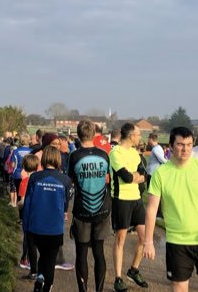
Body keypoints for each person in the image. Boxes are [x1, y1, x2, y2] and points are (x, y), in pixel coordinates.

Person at [143, 127, 198, 292]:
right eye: (181, 144)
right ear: (171, 146)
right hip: (178, 243)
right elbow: (151, 209)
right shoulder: (161, 174)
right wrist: (148, 242)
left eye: (189, 144)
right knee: (180, 289)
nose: (185, 149)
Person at [68, 121, 111, 292]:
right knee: (99, 253)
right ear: (95, 134)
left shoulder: (74, 156)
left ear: (78, 135)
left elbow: (71, 180)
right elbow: (108, 179)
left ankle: (83, 289)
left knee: (82, 253)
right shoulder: (104, 155)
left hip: (82, 210)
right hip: (102, 208)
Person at [23, 146, 72, 292]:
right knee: (49, 259)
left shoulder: (34, 177)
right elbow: (65, 205)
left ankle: (40, 278)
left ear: (43, 160)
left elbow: (28, 204)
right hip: (54, 229)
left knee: (43, 256)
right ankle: (46, 285)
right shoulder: (65, 180)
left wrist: (26, 227)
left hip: (35, 227)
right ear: (58, 160)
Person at [110, 123, 151, 291]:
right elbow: (126, 177)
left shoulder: (136, 153)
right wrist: (136, 176)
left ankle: (133, 270)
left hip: (136, 199)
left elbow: (145, 175)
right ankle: (118, 279)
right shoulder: (115, 152)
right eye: (139, 134)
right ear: (131, 136)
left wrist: (136, 176)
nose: (140, 137)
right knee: (120, 239)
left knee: (144, 237)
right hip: (121, 199)